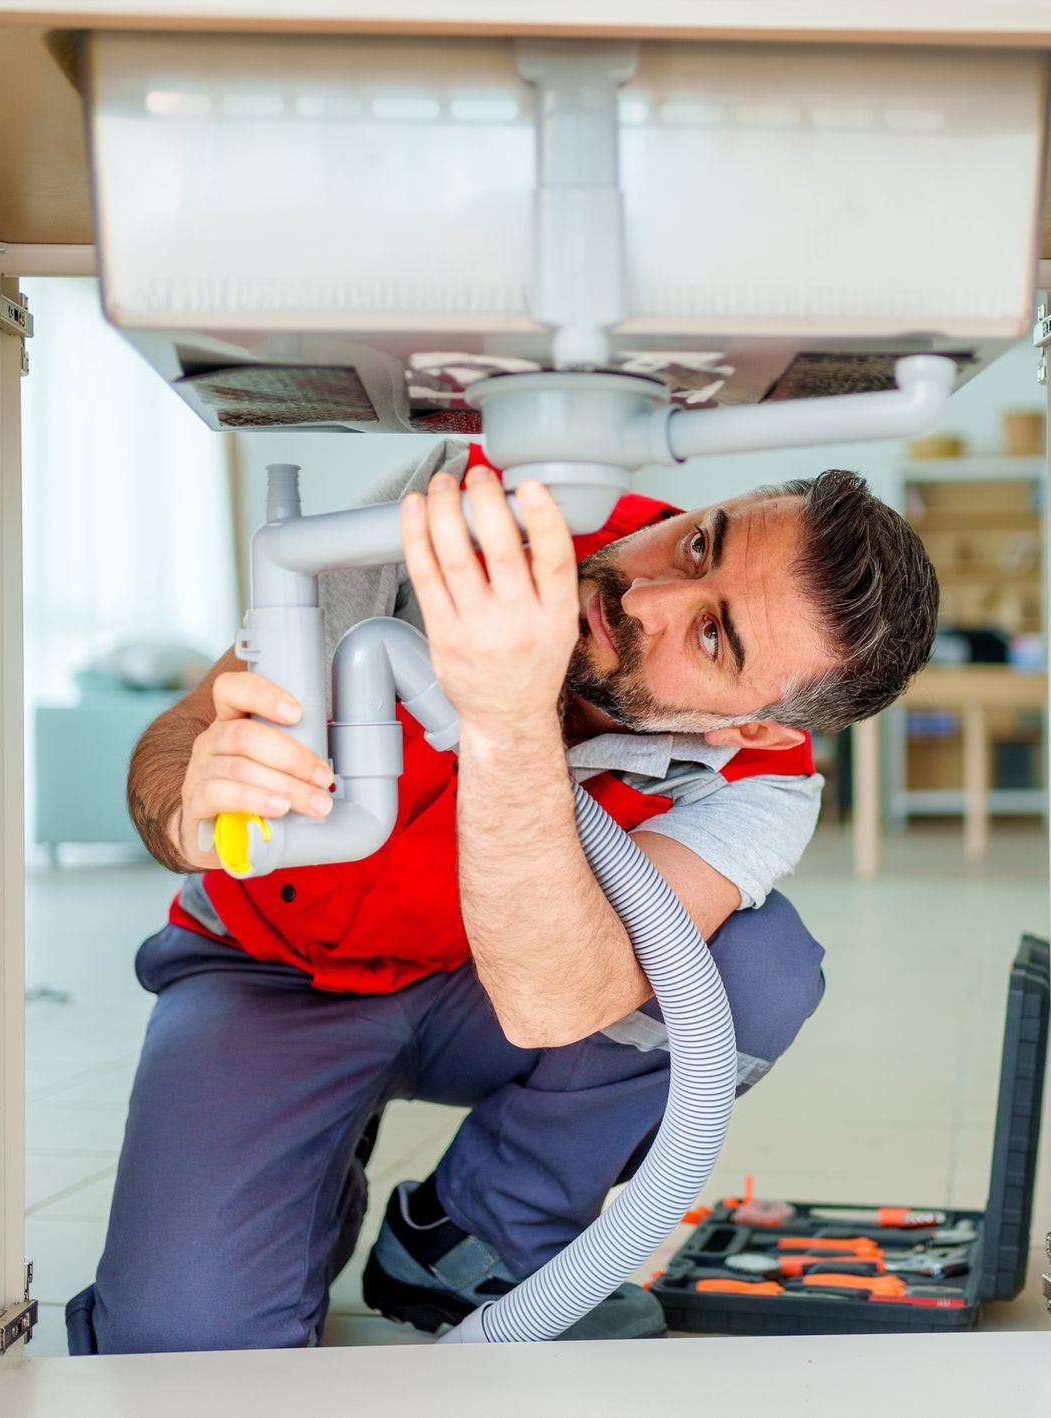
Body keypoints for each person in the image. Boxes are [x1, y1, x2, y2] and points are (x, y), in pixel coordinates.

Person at [65, 440, 939, 1353]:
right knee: (181, 1348)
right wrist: (187, 808)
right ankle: (309, 1150)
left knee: (753, 974)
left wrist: (508, 721)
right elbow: (181, 739)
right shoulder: (478, 515)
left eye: (713, 635)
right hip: (269, 974)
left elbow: (556, 1005)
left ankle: (473, 1237)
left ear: (756, 723)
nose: (641, 601)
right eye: (696, 547)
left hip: (481, 993)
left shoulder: (761, 783)